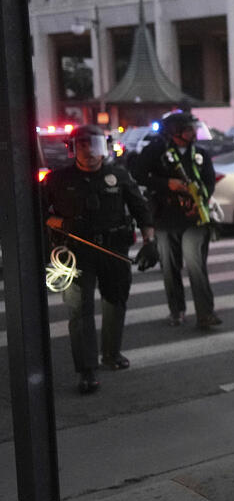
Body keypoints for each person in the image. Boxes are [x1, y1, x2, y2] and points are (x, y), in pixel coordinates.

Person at [42, 125, 155, 394]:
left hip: (114, 249)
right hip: (76, 252)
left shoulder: (119, 175)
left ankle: (111, 354)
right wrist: (62, 223)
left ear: (104, 148)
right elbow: (39, 212)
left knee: (115, 301)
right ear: (73, 148)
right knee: (79, 310)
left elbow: (140, 208)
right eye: (83, 145)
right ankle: (87, 370)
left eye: (95, 145)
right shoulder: (57, 179)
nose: (90, 152)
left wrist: (150, 241)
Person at [135, 111, 220, 328]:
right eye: (189, 128)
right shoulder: (156, 151)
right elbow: (138, 174)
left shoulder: (200, 154)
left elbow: (210, 181)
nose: (194, 132)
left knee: (196, 265)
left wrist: (200, 197)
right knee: (170, 267)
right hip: (166, 217)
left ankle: (205, 313)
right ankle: (177, 310)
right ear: (175, 131)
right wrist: (167, 184)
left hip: (195, 218)